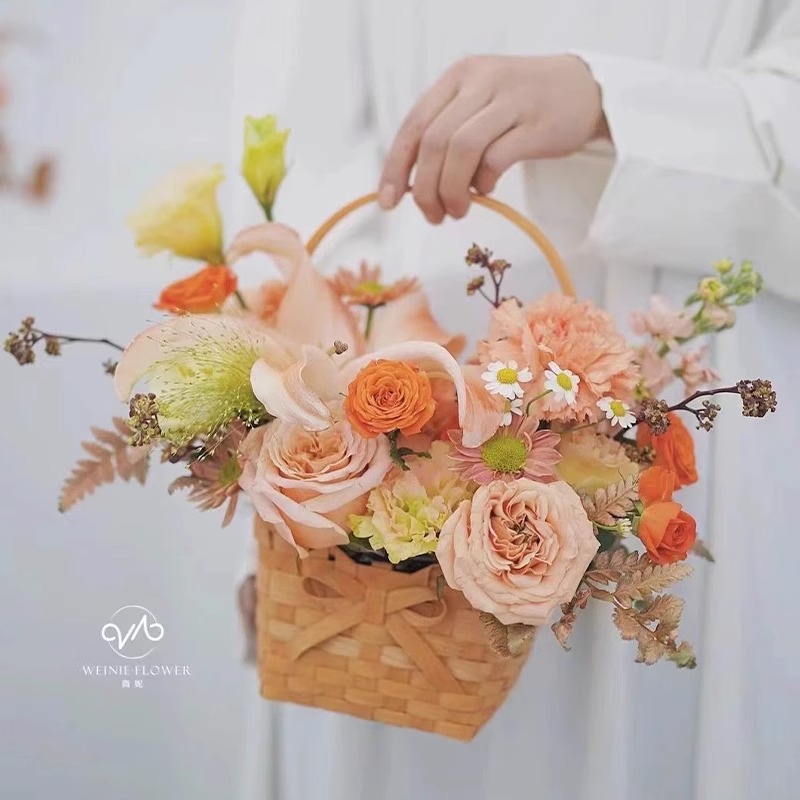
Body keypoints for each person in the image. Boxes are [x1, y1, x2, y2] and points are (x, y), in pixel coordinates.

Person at [232, 2, 800, 798]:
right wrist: (293, 487)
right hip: (389, 393)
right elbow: (306, 155)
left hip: (685, 372)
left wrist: (611, 104)